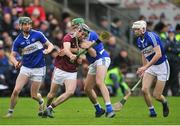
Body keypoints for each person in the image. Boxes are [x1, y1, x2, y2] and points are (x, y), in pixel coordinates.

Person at [4, 16, 54, 118]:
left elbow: (50, 45)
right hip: (26, 68)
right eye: (24, 24)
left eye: (28, 24)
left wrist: (48, 50)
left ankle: (41, 101)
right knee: (16, 90)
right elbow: (12, 56)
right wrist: (15, 62)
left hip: (39, 68)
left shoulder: (38, 34)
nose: (27, 26)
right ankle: (10, 112)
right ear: (20, 26)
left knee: (34, 95)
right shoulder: (18, 40)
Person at [42, 20, 90, 118]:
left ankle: (50, 108)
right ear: (79, 31)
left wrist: (79, 57)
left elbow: (83, 50)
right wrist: (71, 54)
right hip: (60, 68)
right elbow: (66, 49)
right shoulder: (68, 37)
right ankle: (46, 108)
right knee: (51, 94)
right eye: (83, 34)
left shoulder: (80, 41)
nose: (83, 37)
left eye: (85, 36)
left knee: (70, 92)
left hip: (72, 71)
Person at [132, 20, 170, 117]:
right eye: (134, 29)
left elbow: (158, 54)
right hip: (151, 66)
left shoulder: (152, 37)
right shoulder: (139, 40)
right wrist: (143, 68)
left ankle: (164, 102)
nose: (134, 31)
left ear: (143, 29)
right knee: (144, 90)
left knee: (157, 96)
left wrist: (145, 67)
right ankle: (152, 111)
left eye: (136, 29)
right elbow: (144, 54)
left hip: (162, 66)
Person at [82, 26, 115, 118]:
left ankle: (109, 109)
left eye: (76, 27)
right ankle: (98, 109)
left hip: (102, 58)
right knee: (87, 89)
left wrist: (88, 47)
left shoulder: (92, 34)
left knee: (99, 82)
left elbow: (94, 53)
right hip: (93, 63)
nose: (75, 30)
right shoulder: (78, 39)